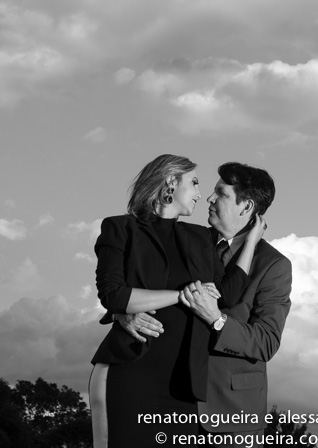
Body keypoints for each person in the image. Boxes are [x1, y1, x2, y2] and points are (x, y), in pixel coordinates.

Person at [89, 155, 265, 448]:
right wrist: (184, 296)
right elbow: (113, 295)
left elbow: (228, 294)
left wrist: (250, 243)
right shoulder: (119, 228)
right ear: (170, 181)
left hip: (184, 382)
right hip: (130, 371)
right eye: (194, 183)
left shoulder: (199, 237)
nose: (200, 194)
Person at [119, 162, 292, 445]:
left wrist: (217, 319)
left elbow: (266, 342)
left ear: (246, 207)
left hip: (232, 416)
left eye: (221, 194)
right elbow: (132, 285)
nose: (209, 199)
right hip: (169, 403)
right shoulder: (187, 240)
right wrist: (122, 315)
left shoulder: (274, 265)